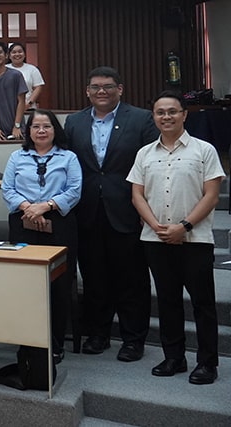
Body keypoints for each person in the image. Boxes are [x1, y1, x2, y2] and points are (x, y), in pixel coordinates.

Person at [128, 92, 224, 385]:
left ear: (184, 114)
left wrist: (183, 226)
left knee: (202, 303)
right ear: (154, 117)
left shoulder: (204, 150)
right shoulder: (145, 153)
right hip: (155, 238)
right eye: (160, 112)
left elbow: (212, 194)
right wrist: (157, 226)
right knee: (168, 300)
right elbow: (136, 195)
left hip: (195, 239)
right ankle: (174, 357)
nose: (166, 117)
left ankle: (207, 363)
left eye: (172, 111)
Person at [65, 66, 157, 362]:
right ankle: (98, 333)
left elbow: (152, 166)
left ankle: (133, 339)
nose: (101, 91)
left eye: (107, 86)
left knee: (131, 279)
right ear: (87, 91)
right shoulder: (75, 122)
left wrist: (148, 208)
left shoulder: (141, 119)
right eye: (95, 87)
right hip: (87, 210)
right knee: (94, 277)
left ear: (120, 89)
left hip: (127, 209)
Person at [1, 109, 82, 362]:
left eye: (47, 126)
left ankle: (56, 343)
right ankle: (28, 341)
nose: (41, 131)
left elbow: (75, 190)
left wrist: (45, 207)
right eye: (36, 127)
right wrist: (28, 208)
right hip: (23, 221)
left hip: (59, 224)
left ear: (55, 130)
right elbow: (7, 188)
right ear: (29, 132)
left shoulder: (68, 157)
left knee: (58, 286)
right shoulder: (17, 156)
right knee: (26, 285)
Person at [6, 42, 45, 109]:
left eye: (20, 52)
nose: (17, 54)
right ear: (9, 56)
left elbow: (38, 88)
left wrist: (29, 104)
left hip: (28, 108)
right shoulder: (4, 69)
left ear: (24, 55)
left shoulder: (32, 69)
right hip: (8, 109)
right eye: (14, 52)